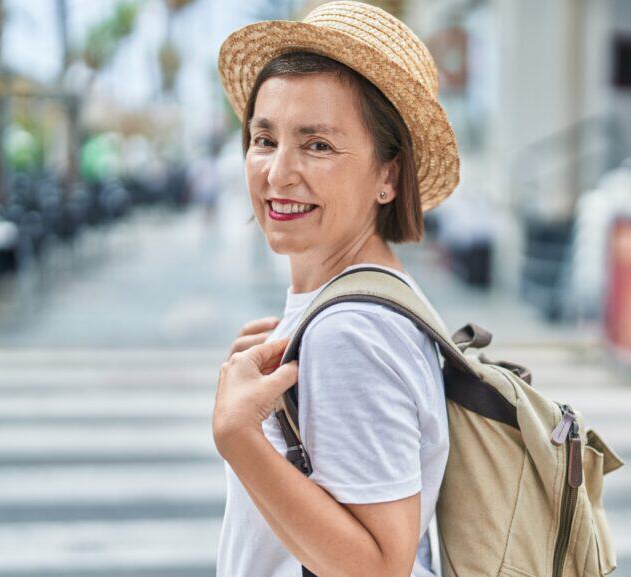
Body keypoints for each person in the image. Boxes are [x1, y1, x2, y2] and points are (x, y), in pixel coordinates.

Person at [210, 2, 460, 576]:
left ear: (388, 176)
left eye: (317, 145)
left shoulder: (350, 332)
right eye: (264, 138)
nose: (276, 173)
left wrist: (237, 434)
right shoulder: (363, 299)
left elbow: (378, 568)